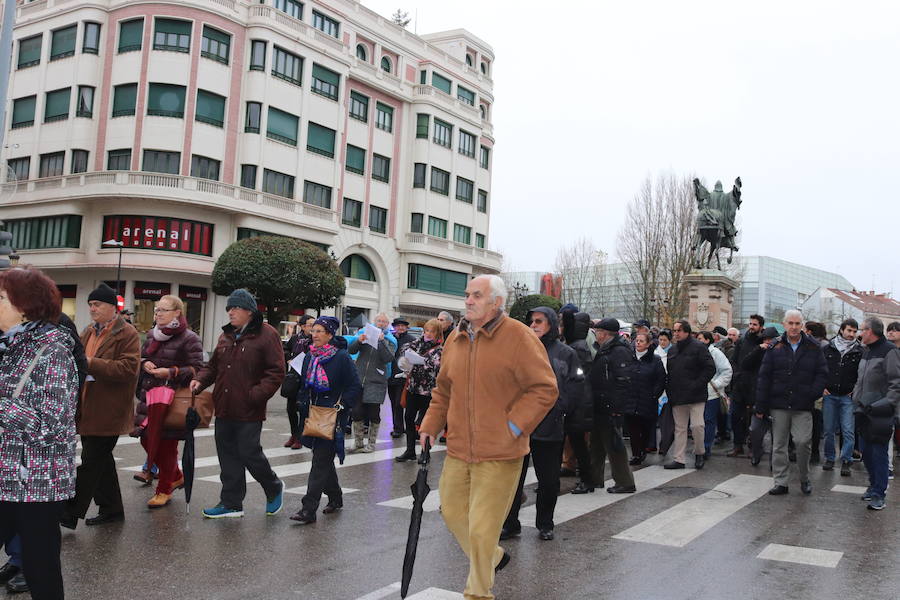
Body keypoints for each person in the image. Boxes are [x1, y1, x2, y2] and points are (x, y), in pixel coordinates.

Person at [418, 275, 557, 600]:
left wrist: (512, 427)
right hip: (459, 448)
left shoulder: (520, 337)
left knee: (482, 529)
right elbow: (444, 389)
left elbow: (545, 389)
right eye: (467, 295)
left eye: (476, 295)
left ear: (496, 302)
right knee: (451, 511)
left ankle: (478, 593)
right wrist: (430, 426)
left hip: (501, 452)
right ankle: (492, 558)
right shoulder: (455, 338)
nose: (468, 300)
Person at [0, 267, 79, 598]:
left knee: (41, 568)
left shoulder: (54, 352)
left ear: (24, 304)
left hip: (37, 483)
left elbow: (52, 426)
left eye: (2, 297)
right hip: (6, 475)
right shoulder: (10, 344)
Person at [191, 289, 286, 519]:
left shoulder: (267, 334)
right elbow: (213, 367)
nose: (230, 312)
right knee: (228, 457)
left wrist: (255, 395)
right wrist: (199, 381)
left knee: (249, 453)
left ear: (249, 311)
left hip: (249, 409)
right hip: (224, 406)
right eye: (228, 308)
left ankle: (273, 486)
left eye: (235, 308)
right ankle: (231, 503)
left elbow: (276, 371)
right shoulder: (226, 336)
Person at [60, 283, 140, 530]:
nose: (93, 309)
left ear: (112, 308)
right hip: (87, 406)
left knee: (91, 460)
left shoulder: (127, 333)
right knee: (102, 462)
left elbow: (128, 369)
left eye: (97, 305)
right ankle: (112, 509)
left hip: (110, 409)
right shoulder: (87, 332)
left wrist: (91, 362)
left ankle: (70, 512)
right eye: (91, 305)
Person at [502, 308, 578, 541]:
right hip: (520, 427)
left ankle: (545, 523)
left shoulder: (566, 353)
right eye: (531, 321)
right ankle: (510, 523)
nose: (533, 325)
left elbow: (575, 385)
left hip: (550, 426)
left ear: (551, 324)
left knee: (548, 481)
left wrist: (559, 409)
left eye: (539, 321)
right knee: (513, 480)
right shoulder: (518, 349)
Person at [133, 295, 203, 508]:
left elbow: (198, 368)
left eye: (163, 310)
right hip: (150, 395)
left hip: (172, 399)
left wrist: (171, 372)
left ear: (177, 313)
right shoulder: (152, 335)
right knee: (146, 438)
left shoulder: (189, 338)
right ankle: (176, 475)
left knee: (166, 445)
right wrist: (145, 363)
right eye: (157, 310)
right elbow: (142, 356)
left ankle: (164, 489)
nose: (158, 314)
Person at [290, 316, 362, 523]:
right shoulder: (309, 356)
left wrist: (342, 406)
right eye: (313, 331)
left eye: (320, 331)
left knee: (319, 461)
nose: (315, 335)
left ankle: (308, 509)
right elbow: (305, 385)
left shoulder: (341, 357)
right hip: (312, 413)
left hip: (332, 415)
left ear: (330, 334)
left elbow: (354, 386)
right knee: (323, 459)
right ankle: (336, 497)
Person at [755, 310, 828, 496]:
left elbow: (822, 373)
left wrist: (812, 394)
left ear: (802, 325)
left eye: (797, 323)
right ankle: (781, 481)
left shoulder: (813, 346)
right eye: (791, 323)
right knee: (779, 445)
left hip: (803, 404)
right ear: (784, 324)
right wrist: (761, 404)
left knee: (803, 442)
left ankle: (804, 478)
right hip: (779, 403)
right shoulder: (775, 346)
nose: (794, 327)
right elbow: (764, 377)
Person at [852, 317, 900, 510]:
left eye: (862, 330)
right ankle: (873, 486)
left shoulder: (890, 351)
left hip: (880, 412)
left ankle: (879, 494)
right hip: (862, 410)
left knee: (879, 454)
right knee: (866, 452)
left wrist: (886, 405)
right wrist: (856, 399)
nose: (859, 333)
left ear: (870, 331)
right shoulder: (866, 351)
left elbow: (896, 384)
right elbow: (860, 379)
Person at [589, 318, 637, 492]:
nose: (596, 335)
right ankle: (594, 478)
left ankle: (625, 482)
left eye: (597, 332)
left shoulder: (619, 351)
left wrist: (616, 408)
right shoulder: (606, 349)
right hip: (601, 404)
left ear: (604, 333)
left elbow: (623, 382)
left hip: (610, 406)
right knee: (596, 444)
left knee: (614, 445)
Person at [664, 320, 716, 470]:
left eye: (678, 330)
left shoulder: (699, 347)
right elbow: (671, 372)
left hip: (696, 395)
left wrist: (697, 384)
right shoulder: (672, 350)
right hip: (677, 395)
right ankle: (679, 459)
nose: (676, 333)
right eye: (674, 331)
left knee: (697, 426)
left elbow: (710, 368)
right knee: (680, 429)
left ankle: (699, 453)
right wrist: (670, 390)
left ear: (686, 332)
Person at [395, 319, 443, 462]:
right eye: (426, 330)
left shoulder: (440, 349)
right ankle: (410, 450)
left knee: (426, 423)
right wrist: (409, 358)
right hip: (413, 388)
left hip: (428, 391)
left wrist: (420, 361)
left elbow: (436, 364)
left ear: (437, 333)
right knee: (408, 418)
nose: (428, 334)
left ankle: (425, 452)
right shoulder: (418, 342)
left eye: (431, 331)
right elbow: (404, 349)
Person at [348, 313, 396, 453]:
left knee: (373, 413)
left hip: (376, 381)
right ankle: (358, 442)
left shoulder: (390, 340)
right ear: (374, 322)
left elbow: (388, 358)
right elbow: (351, 350)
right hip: (359, 379)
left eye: (384, 322)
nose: (381, 323)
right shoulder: (365, 334)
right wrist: (358, 341)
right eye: (379, 321)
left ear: (387, 324)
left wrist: (381, 341)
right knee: (356, 411)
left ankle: (371, 443)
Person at [822, 318, 862, 475]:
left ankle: (846, 460)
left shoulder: (860, 351)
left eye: (854, 331)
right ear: (841, 330)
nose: (851, 334)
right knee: (828, 430)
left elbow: (862, 374)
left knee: (848, 430)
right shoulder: (828, 348)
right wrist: (822, 387)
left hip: (847, 397)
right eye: (849, 330)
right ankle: (830, 458)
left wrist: (856, 389)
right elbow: (820, 369)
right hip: (830, 395)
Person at [564, 312, 595, 494]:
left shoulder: (579, 348)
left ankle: (587, 480)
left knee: (579, 445)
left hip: (578, 404)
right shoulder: (579, 345)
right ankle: (586, 478)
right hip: (579, 403)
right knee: (577, 444)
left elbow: (577, 377)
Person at [727, 315, 765, 457]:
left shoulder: (762, 342)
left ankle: (753, 447)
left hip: (755, 385)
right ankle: (737, 445)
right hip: (740, 384)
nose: (751, 326)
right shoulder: (742, 341)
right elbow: (734, 360)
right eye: (750, 323)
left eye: (755, 324)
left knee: (754, 419)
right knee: (735, 416)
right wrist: (736, 374)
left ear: (760, 326)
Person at [627, 332, 666, 465]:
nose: (638, 343)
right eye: (637, 340)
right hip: (631, 399)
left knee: (645, 428)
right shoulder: (629, 357)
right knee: (633, 428)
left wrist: (654, 395)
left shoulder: (655, 360)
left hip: (647, 400)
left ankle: (642, 450)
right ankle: (636, 454)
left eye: (641, 341)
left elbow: (661, 380)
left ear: (648, 344)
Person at [698, 331, 733, 459]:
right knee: (698, 423)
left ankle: (706, 448)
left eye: (700, 338)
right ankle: (699, 447)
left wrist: (716, 384)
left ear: (707, 340)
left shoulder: (716, 353)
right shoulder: (695, 352)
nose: (698, 341)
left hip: (712, 394)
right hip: (696, 393)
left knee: (708, 421)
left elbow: (727, 371)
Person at [283, 314, 314, 450]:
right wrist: (289, 358)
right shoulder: (295, 338)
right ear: (302, 326)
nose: (313, 328)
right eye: (310, 325)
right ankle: (293, 434)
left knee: (303, 408)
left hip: (307, 377)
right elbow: (285, 349)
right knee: (290, 409)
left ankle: (300, 437)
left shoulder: (315, 339)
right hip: (294, 376)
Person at [387, 318, 415, 439]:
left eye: (403, 326)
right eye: (398, 326)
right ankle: (397, 427)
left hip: (403, 376)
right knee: (393, 403)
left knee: (399, 403)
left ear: (406, 327)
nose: (400, 328)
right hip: (390, 375)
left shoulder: (411, 340)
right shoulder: (390, 338)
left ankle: (399, 428)